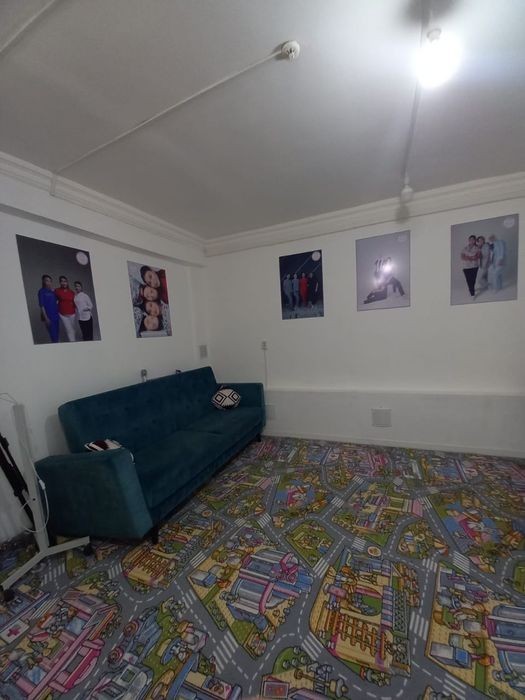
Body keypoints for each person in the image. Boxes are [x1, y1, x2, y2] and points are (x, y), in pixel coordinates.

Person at [38, 274, 59, 343]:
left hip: (56, 316)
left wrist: (54, 292)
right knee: (53, 336)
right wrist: (46, 318)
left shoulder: (52, 291)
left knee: (57, 335)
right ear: (43, 281)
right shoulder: (41, 291)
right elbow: (42, 306)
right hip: (49, 317)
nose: (49, 282)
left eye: (50, 281)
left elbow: (57, 301)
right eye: (47, 281)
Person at [55, 275, 76, 341]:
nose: (64, 283)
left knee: (72, 328)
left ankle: (74, 341)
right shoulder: (57, 291)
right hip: (63, 314)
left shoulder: (71, 292)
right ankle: (73, 342)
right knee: (68, 329)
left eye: (65, 281)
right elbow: (53, 300)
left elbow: (75, 302)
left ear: (67, 282)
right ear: (60, 282)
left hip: (72, 313)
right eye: (62, 281)